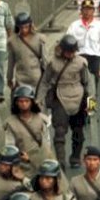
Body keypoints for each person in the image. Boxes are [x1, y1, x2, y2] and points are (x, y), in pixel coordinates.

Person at [37, 35, 91, 170]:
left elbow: (88, 83)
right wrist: (38, 100)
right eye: (68, 51)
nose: (71, 54)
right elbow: (44, 81)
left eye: (73, 51)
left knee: (79, 132)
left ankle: (75, 157)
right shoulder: (53, 63)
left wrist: (92, 106)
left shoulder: (81, 63)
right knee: (59, 132)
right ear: (61, 50)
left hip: (79, 99)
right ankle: (60, 161)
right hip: (60, 98)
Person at [3, 85, 54, 178]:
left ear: (32, 102)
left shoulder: (40, 120)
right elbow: (9, 145)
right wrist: (19, 156)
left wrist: (39, 158)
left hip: (40, 161)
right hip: (21, 163)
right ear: (16, 103)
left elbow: (47, 142)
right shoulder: (11, 123)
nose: (24, 104)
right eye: (21, 101)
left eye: (27, 101)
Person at [67, 0, 100, 90]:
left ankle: (91, 104)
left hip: (94, 58)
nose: (87, 12)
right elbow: (67, 41)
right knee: (79, 84)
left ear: (93, 11)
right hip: (79, 57)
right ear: (81, 10)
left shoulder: (98, 26)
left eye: (89, 9)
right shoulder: (74, 25)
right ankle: (82, 103)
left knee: (93, 86)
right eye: (85, 9)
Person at [7, 12, 46, 92]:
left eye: (26, 27)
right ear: (18, 27)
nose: (24, 30)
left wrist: (47, 78)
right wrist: (9, 77)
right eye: (21, 28)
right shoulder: (13, 41)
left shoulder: (40, 39)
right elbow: (11, 62)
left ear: (30, 25)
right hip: (20, 77)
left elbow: (45, 60)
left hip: (36, 77)